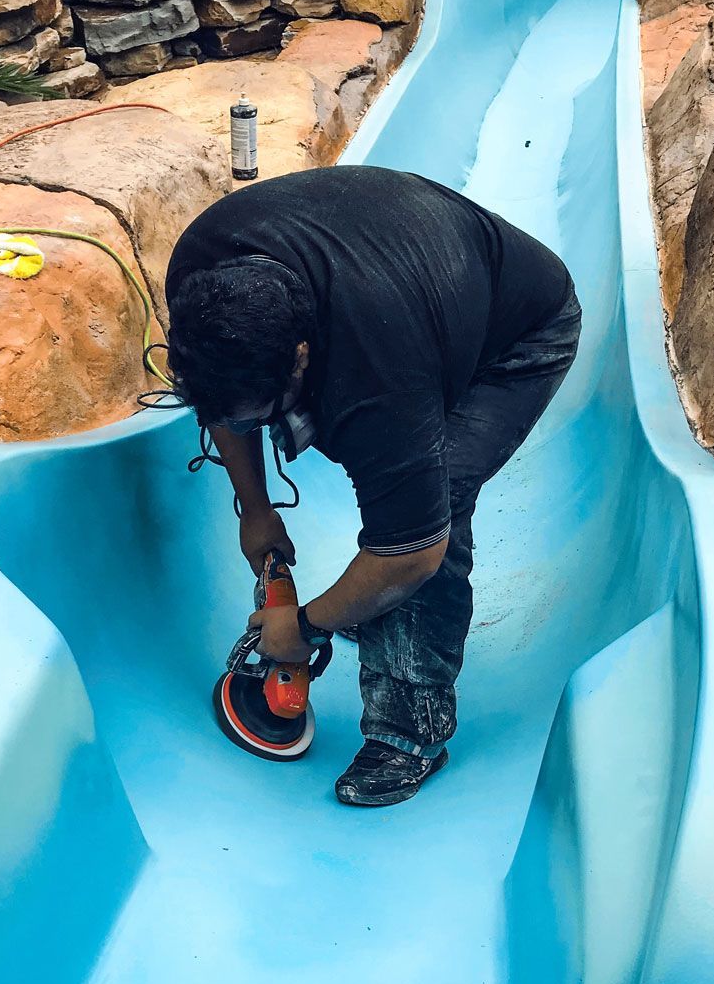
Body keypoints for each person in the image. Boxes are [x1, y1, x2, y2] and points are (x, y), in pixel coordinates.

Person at [166, 165, 581, 808]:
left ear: (301, 356)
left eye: (260, 411)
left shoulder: (374, 375)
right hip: (419, 286)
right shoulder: (204, 274)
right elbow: (222, 399)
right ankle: (369, 614)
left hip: (519, 336)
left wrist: (301, 629)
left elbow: (410, 553)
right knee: (387, 493)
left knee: (435, 499)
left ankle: (408, 734)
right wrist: (254, 508)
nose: (244, 425)